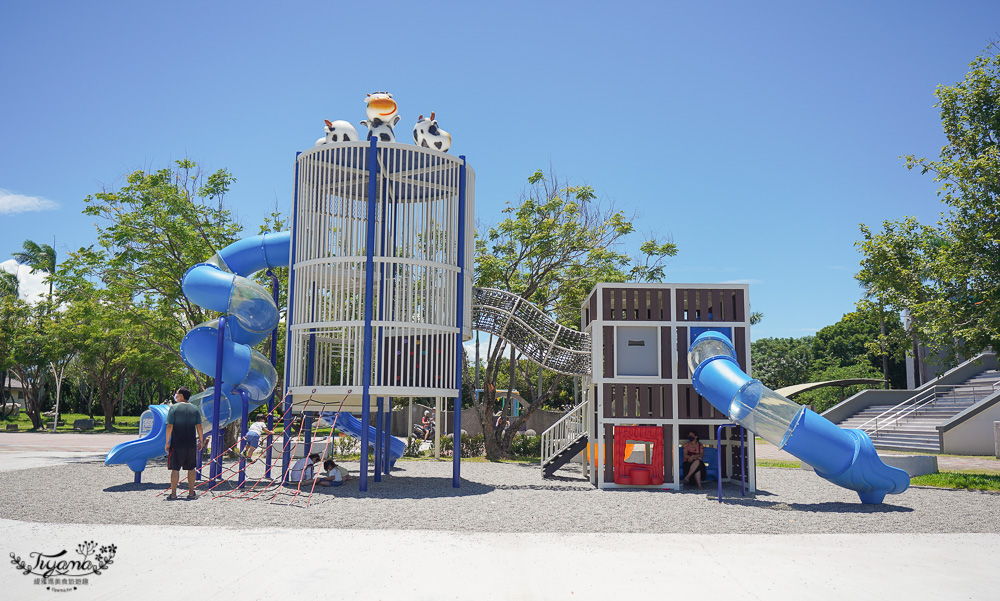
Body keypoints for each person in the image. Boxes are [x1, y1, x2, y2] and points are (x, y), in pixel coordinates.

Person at [164, 386, 204, 500]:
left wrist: (167, 442)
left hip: (177, 444)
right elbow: (199, 426)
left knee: (175, 468)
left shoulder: (174, 408)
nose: (176, 396)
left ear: (181, 395)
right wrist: (201, 441)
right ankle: (191, 493)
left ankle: (173, 494)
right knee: (191, 468)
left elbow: (169, 426)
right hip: (191, 443)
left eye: (177, 394)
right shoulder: (195, 408)